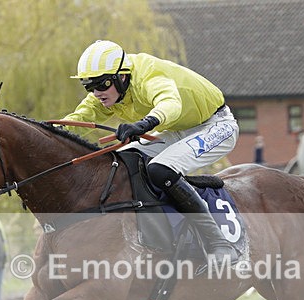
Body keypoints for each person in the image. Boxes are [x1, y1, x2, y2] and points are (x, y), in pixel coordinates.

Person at [63, 40, 240, 265]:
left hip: (215, 125)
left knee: (161, 168)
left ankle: (218, 243)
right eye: (89, 87)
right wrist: (46, 131)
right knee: (121, 162)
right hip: (177, 129)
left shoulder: (148, 75)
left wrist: (144, 124)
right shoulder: (108, 90)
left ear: (122, 76)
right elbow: (80, 117)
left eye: (101, 85)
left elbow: (170, 103)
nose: (96, 93)